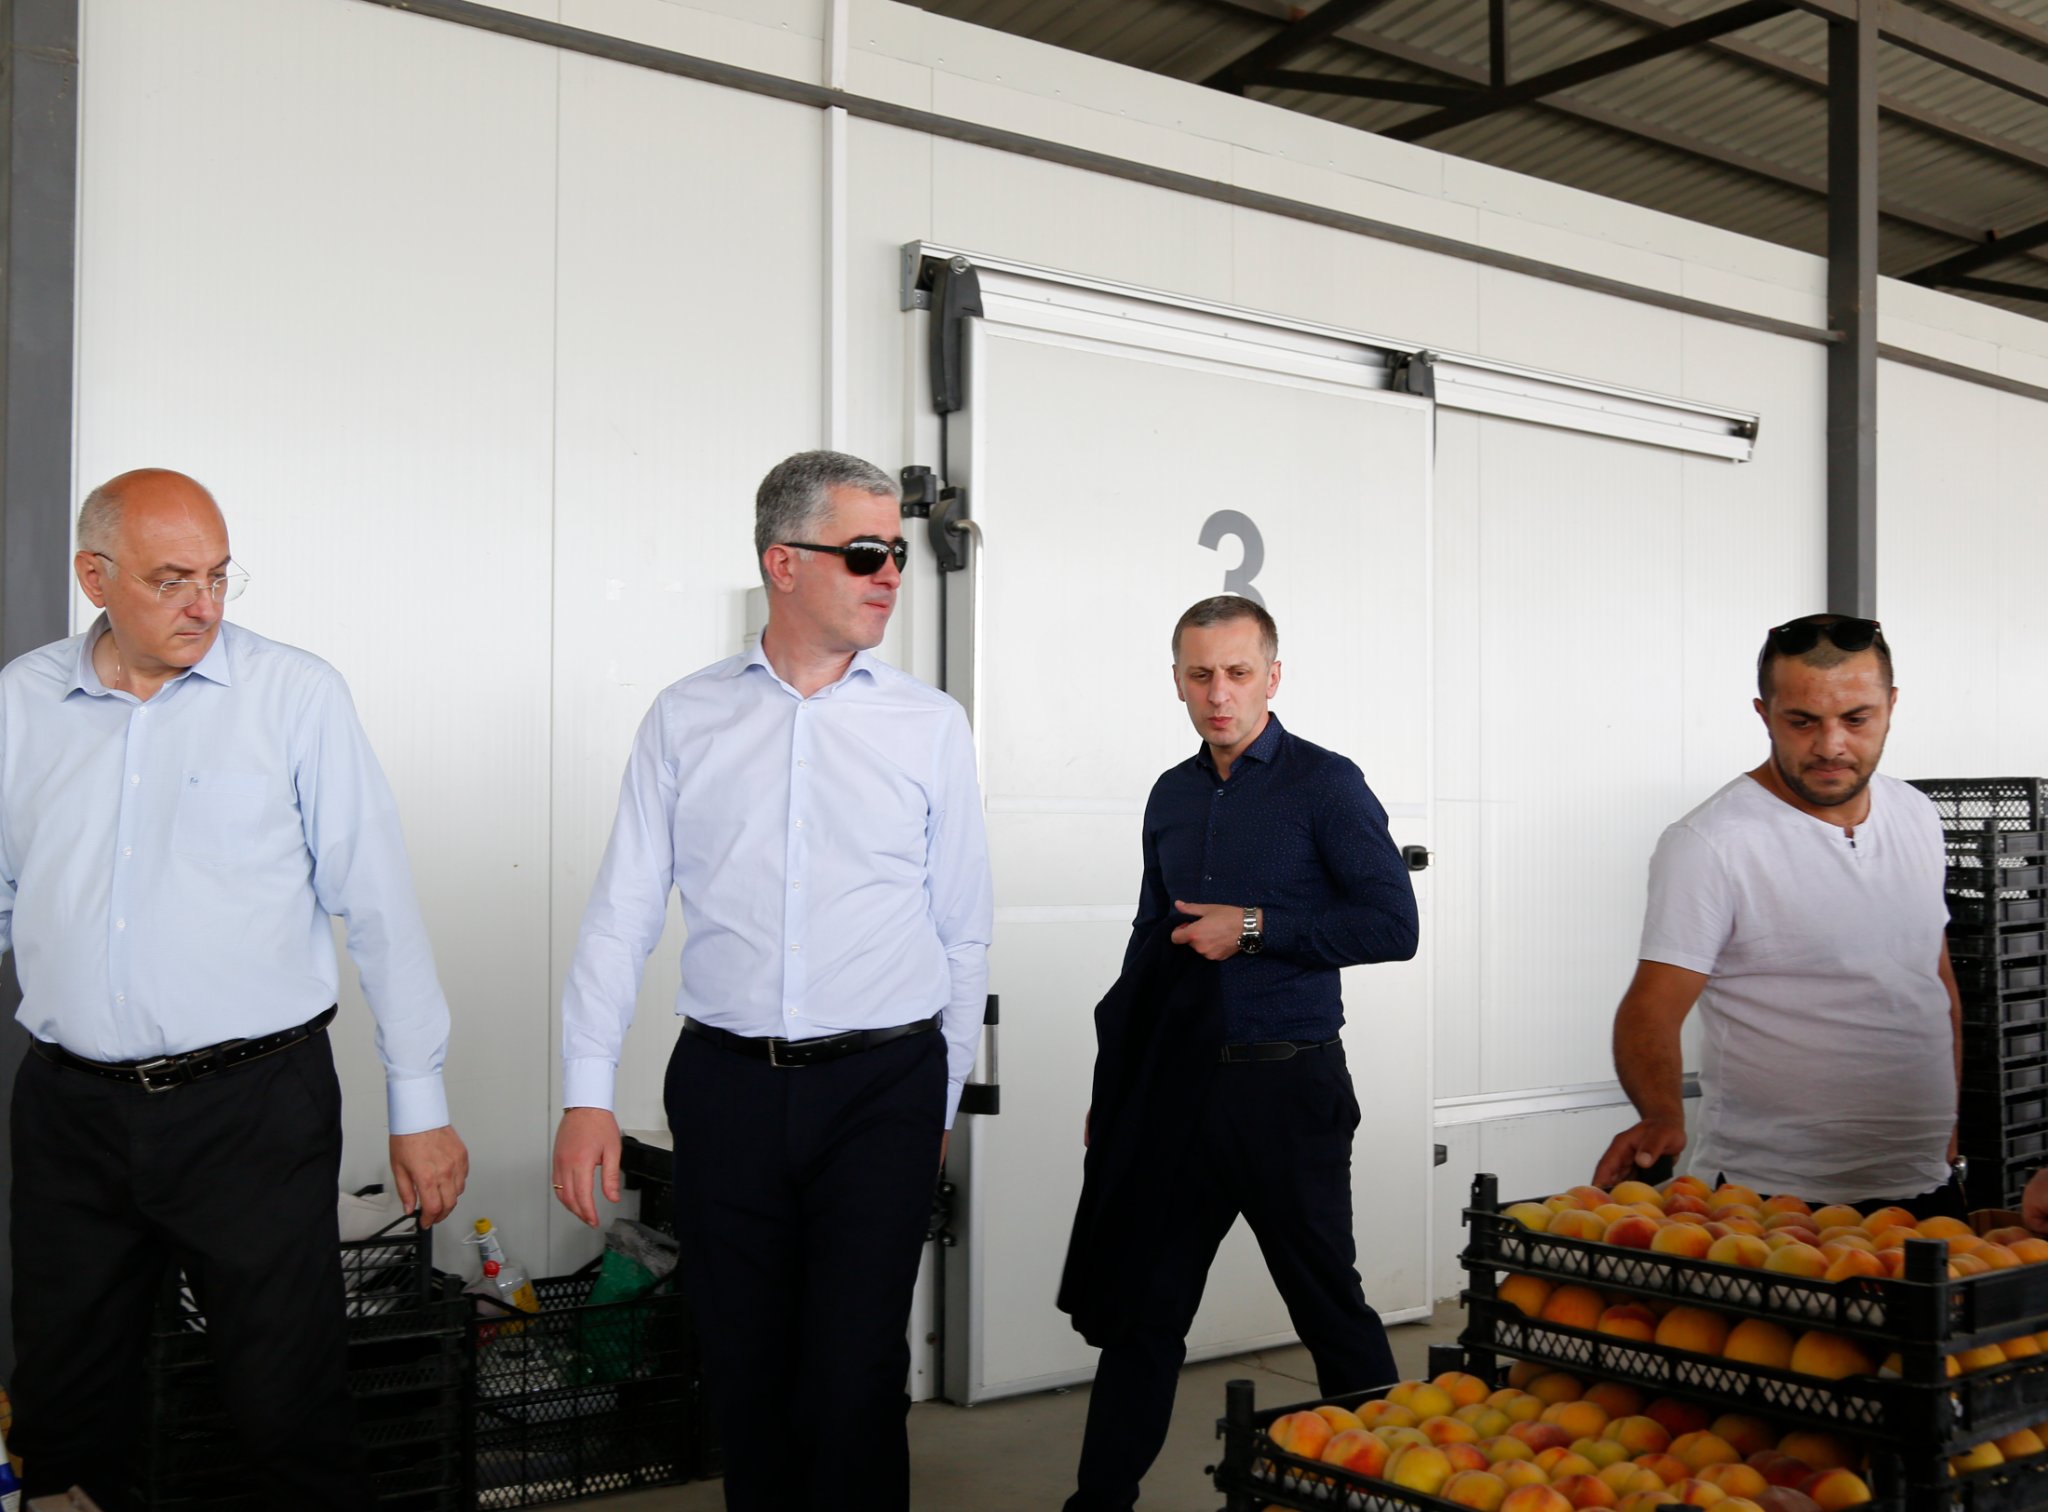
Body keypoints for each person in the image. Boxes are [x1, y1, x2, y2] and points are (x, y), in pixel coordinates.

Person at [1, 469, 468, 1510]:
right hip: (72, 1114)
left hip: (251, 1111)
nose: (204, 604)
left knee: (285, 1403)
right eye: (171, 580)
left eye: (218, 576)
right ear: (94, 578)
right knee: (65, 1401)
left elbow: (379, 906)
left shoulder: (294, 696)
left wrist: (420, 1103)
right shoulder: (20, 703)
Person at [551, 450, 992, 1512]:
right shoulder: (683, 718)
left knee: (853, 1377)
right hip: (727, 1089)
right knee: (742, 1371)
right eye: (866, 552)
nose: (892, 574)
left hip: (883, 1090)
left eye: (897, 553)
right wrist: (585, 1094)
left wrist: (938, 1102)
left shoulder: (928, 725)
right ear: (781, 562)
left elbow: (962, 933)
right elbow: (620, 913)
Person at [1064, 594, 1418, 1512]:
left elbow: (1394, 925)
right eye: (1200, 675)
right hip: (1176, 1091)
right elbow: (1148, 942)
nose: (1218, 694)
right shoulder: (1172, 795)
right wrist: (1118, 1081)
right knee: (1142, 1315)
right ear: (1177, 681)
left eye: (1237, 673)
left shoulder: (1326, 784)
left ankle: (1392, 1498)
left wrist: (1254, 927)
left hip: (1287, 1086)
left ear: (1272, 676)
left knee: (1328, 1308)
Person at [1593, 613, 1963, 1213]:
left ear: (1891, 706)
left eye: (1856, 719)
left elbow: (1933, 979)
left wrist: (1950, 1123)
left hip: (1923, 1182)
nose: (1831, 745)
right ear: (1764, 715)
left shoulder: (1917, 814)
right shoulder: (1711, 842)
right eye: (1802, 721)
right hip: (1770, 1195)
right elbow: (1652, 1007)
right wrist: (1660, 1113)